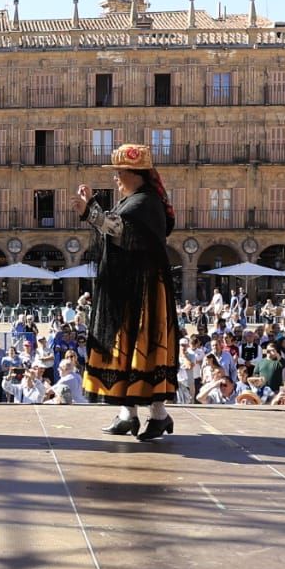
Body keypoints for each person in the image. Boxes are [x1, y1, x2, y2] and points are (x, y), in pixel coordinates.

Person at [74, 143, 180, 441]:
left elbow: (119, 229)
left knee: (144, 347)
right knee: (128, 347)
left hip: (143, 289)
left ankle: (158, 415)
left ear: (136, 174)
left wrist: (89, 211)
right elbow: (117, 227)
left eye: (119, 172)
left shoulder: (145, 203)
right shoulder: (136, 200)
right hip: (131, 286)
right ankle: (129, 415)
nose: (116, 178)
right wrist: (93, 207)